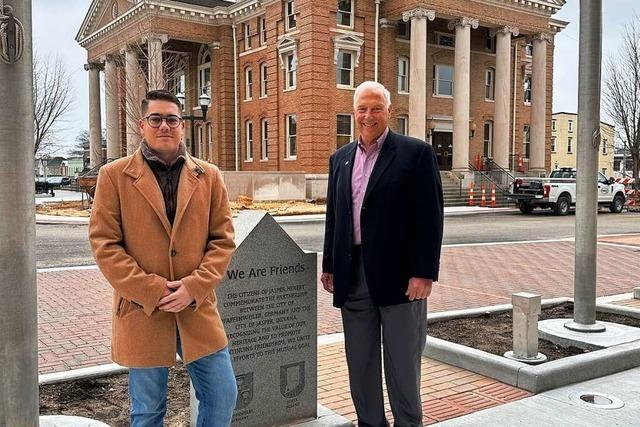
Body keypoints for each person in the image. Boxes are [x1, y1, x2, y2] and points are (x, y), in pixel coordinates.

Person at [89, 90, 237, 426]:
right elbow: (105, 245)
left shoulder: (209, 176)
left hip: (195, 306)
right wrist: (154, 290)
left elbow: (223, 240)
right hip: (143, 309)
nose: (164, 126)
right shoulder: (114, 176)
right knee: (148, 409)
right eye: (156, 119)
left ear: (182, 126)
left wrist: (194, 286)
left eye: (172, 119)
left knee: (222, 393)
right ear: (142, 125)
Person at [321, 81, 444, 426]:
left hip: (401, 280)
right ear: (354, 111)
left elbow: (430, 218)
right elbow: (336, 216)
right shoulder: (340, 159)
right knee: (360, 363)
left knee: (402, 366)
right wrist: (330, 264)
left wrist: (424, 273)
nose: (368, 115)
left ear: (389, 111)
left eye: (376, 108)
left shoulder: (415, 154)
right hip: (352, 276)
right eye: (362, 108)